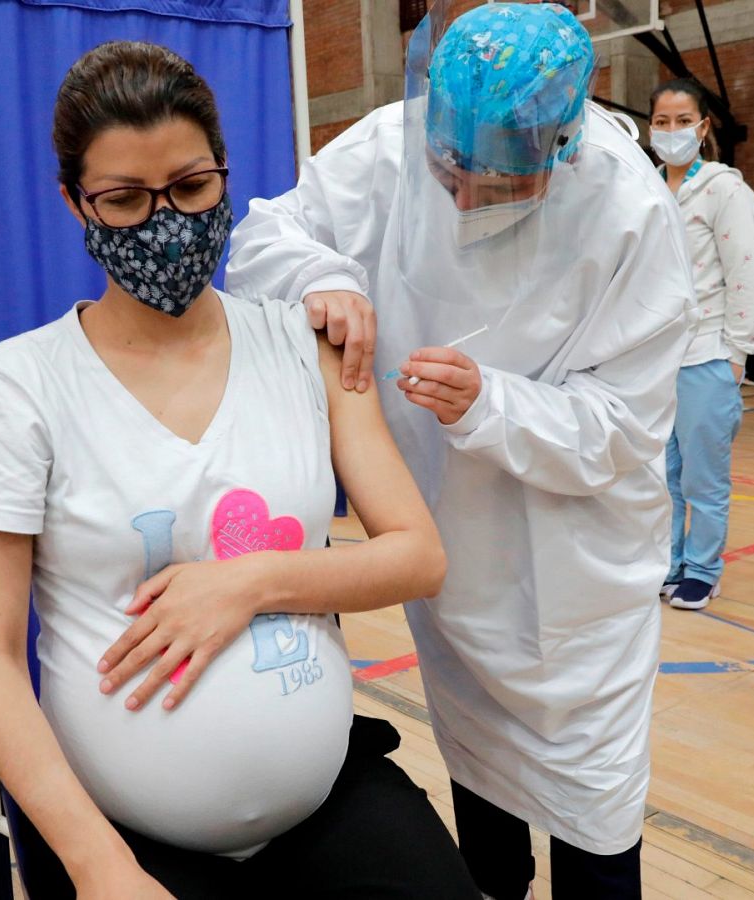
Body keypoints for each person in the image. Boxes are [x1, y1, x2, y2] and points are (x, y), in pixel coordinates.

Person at [0, 41, 480, 900]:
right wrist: (98, 868)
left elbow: (418, 555)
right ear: (73, 204)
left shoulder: (306, 344)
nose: (168, 222)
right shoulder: (20, 385)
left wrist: (251, 581)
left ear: (226, 176)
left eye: (192, 188)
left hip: (325, 805)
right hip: (120, 837)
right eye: (124, 200)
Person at [227, 4, 695, 897]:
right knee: (481, 790)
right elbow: (263, 238)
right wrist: (321, 276)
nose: (468, 199)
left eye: (500, 179)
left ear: (561, 146)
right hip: (449, 557)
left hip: (577, 581)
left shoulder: (628, 210)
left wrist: (493, 406)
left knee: (596, 815)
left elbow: (621, 431)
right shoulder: (390, 150)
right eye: (454, 169)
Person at [647, 77, 754, 611]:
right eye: (662, 122)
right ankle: (666, 561)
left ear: (704, 126)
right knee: (661, 474)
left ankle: (703, 568)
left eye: (682, 121)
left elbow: (743, 272)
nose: (672, 132)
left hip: (707, 352)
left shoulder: (723, 188)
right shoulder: (645, 187)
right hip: (656, 358)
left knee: (702, 476)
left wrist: (736, 353)